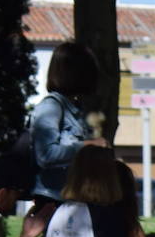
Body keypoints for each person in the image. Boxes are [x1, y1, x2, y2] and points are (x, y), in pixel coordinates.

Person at [31, 42, 107, 207]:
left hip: (74, 198)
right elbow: (45, 155)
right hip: (53, 200)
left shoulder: (78, 109)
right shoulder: (51, 106)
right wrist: (86, 145)